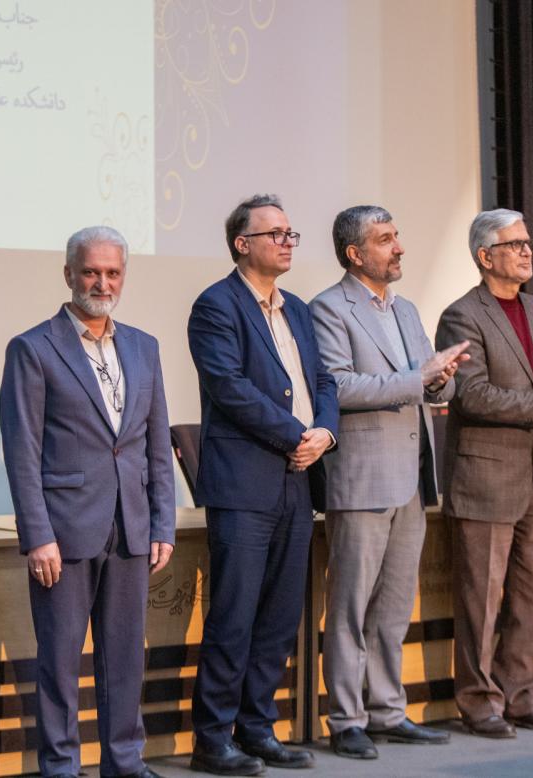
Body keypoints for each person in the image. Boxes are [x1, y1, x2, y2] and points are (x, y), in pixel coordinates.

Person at [0, 226, 175, 778]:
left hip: (131, 526)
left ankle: (124, 760)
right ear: (69, 274)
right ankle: (60, 766)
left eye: (112, 272)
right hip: (64, 532)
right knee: (59, 660)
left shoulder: (144, 347)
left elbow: (155, 443)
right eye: (91, 272)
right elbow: (22, 452)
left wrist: (162, 525)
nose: (102, 283)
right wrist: (37, 535)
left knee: (124, 656)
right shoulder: (33, 348)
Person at [187, 193, 339, 775]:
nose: (286, 241)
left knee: (278, 616)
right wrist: (297, 433)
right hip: (244, 482)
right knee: (234, 615)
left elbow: (323, 380)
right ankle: (212, 739)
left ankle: (256, 728)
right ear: (241, 243)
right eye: (274, 233)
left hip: (297, 478)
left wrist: (325, 431)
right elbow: (228, 387)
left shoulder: (296, 308)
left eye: (290, 233)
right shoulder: (216, 305)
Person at [309, 205, 468, 759]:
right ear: (355, 254)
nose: (398, 247)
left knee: (394, 607)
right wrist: (419, 378)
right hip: (362, 478)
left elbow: (431, 388)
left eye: (396, 236)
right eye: (385, 239)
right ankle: (345, 718)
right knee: (350, 607)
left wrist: (441, 380)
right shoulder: (329, 308)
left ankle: (387, 711)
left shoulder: (406, 309)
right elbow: (337, 386)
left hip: (411, 478)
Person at [434, 208, 533, 740]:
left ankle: (521, 695)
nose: (527, 251)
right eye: (515, 244)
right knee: (481, 602)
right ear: (486, 257)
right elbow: (474, 396)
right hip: (484, 479)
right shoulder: (462, 315)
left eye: (528, 242)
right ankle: (479, 703)